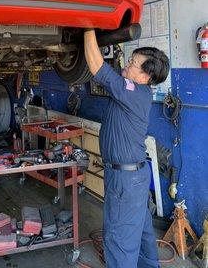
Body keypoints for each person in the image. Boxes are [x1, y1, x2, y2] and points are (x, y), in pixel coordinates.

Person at [84, 29, 170, 268]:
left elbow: (98, 70)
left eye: (133, 63)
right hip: (135, 175)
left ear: (145, 76)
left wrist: (86, 25)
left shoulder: (134, 92)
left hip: (126, 179)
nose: (127, 63)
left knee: (118, 239)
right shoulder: (135, 91)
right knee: (141, 231)